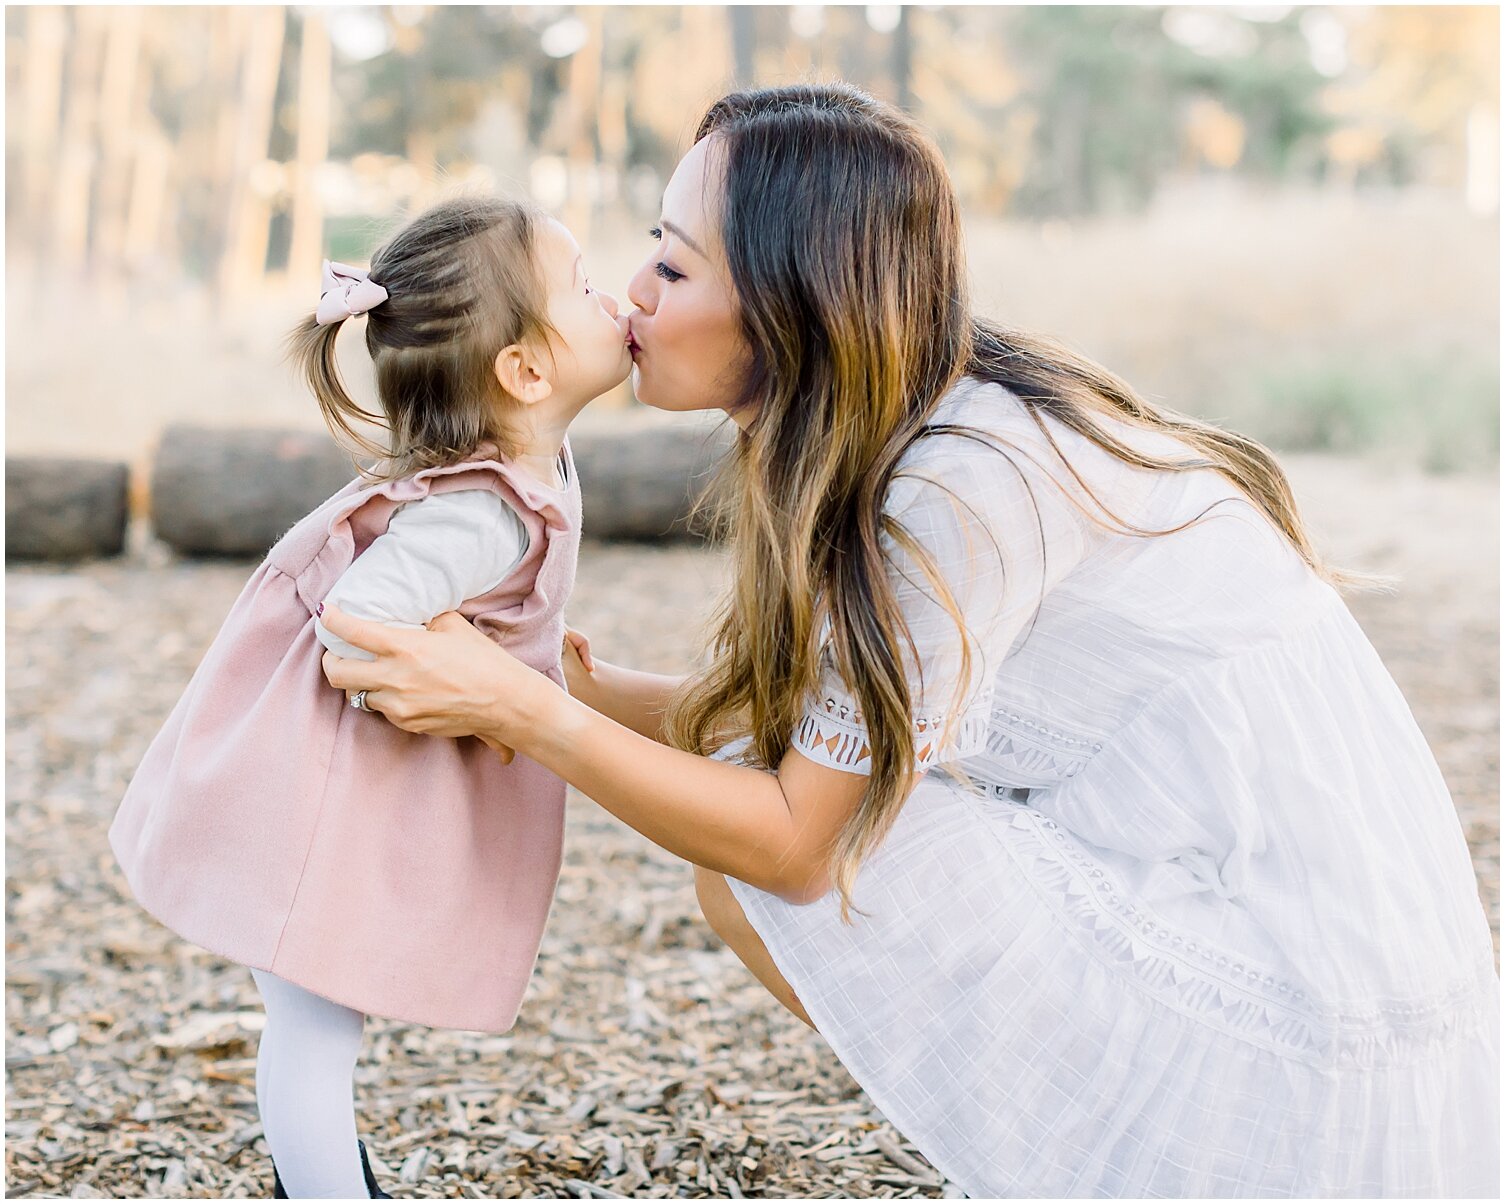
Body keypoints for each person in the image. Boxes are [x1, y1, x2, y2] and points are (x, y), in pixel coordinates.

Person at [318, 85, 1500, 1197]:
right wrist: (547, 677)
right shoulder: (915, 412)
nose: (631, 293)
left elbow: (792, 839)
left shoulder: (956, 485)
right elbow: (837, 720)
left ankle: (1079, 1156)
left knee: (755, 845)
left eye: (672, 263)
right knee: (742, 819)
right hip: (1221, 883)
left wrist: (530, 715)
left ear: (793, 297)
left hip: (1295, 1004)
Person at [109, 194, 632, 1198]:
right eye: (580, 285)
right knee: (313, 1029)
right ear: (522, 370)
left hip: (316, 785)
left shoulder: (526, 466)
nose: (610, 297)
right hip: (313, 800)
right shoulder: (484, 511)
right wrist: (463, 670)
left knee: (314, 1020)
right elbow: (356, 619)